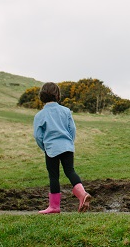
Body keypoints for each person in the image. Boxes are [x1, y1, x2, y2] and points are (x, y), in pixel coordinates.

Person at [33, 82, 91, 214]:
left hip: (51, 149)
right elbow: (72, 129)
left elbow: (37, 135)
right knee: (70, 171)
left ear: (42, 96)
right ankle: (82, 195)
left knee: (54, 176)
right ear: (58, 95)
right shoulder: (66, 111)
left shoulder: (40, 115)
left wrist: (44, 147)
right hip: (67, 146)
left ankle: (54, 207)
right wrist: (69, 142)